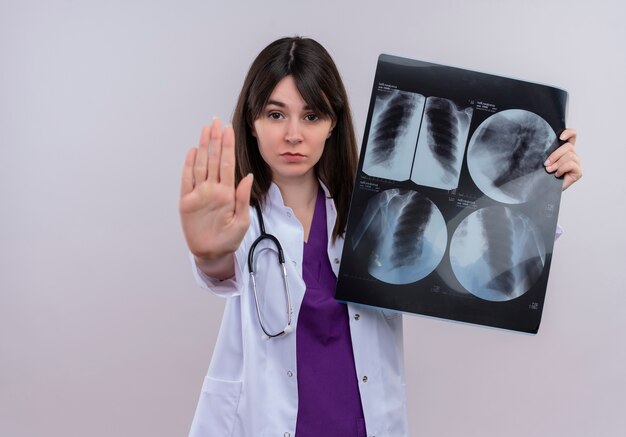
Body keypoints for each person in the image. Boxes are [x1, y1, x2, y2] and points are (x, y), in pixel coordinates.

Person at [179, 36, 583, 437]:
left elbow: (471, 269)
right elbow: (221, 273)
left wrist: (538, 194)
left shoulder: (374, 210)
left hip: (359, 423)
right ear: (252, 123)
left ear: (333, 123)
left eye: (312, 116)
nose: (293, 135)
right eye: (275, 114)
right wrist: (208, 254)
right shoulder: (238, 220)